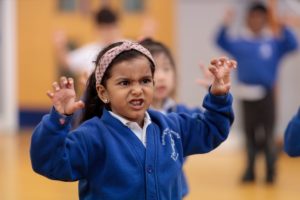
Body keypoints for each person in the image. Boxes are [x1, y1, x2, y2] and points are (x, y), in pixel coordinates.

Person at [30, 41, 236, 200]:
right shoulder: (92, 136)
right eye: (125, 82)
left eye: (145, 81)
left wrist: (218, 96)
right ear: (103, 92)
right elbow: (50, 162)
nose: (137, 89)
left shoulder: (172, 127)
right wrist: (58, 119)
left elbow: (212, 129)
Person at [215, 2, 298, 183]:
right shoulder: (240, 43)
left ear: (265, 20)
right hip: (246, 96)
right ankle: (250, 171)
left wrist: (283, 23)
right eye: (253, 16)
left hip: (267, 96)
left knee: (268, 135)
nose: (257, 20)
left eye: (261, 17)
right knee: (249, 135)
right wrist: (226, 22)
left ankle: (270, 171)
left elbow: (293, 44)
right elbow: (220, 40)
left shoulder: (273, 42)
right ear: (248, 19)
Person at [140, 38, 202, 198]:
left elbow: (211, 126)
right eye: (153, 71)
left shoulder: (180, 113)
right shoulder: (134, 115)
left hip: (174, 190)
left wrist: (216, 93)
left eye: (166, 69)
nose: (160, 77)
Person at [54, 6, 122, 77]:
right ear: (97, 29)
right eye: (105, 29)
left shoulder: (128, 47)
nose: (109, 33)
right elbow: (67, 62)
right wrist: (60, 46)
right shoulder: (90, 51)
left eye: (112, 28)